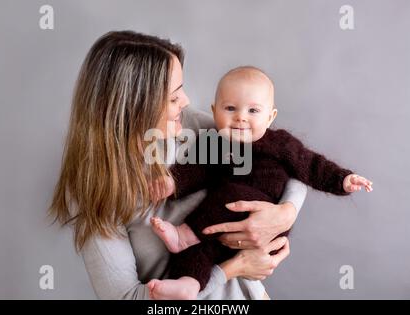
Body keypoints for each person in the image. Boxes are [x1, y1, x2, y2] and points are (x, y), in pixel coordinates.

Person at [49, 31, 307, 300]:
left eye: (181, 89)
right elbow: (125, 297)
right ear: (135, 108)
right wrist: (233, 268)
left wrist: (286, 212)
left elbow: (287, 156)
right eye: (173, 97)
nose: (185, 101)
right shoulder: (94, 189)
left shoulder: (196, 127)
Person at [147, 66, 373, 300]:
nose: (241, 117)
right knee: (197, 251)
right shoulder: (214, 141)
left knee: (231, 195)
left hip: (264, 220)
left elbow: (312, 166)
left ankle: (184, 235)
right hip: (219, 225)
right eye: (230, 108)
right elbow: (195, 169)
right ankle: (189, 284)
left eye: (253, 110)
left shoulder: (281, 144)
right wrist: (171, 182)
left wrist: (343, 179)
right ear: (215, 112)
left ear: (270, 117)